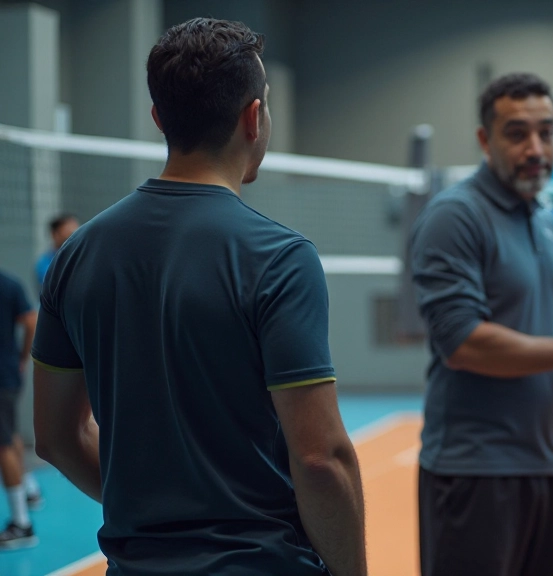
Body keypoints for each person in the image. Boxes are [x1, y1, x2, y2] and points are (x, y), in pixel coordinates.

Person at [31, 18, 366, 576]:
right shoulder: (280, 258)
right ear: (254, 118)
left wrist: (152, 523)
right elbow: (320, 459)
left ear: (160, 118)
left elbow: (56, 438)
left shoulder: (76, 255)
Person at [409, 72, 553, 576]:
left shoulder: (542, 218)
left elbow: (520, 334)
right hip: (473, 474)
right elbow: (463, 343)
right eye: (517, 133)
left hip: (547, 464)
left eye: (546, 132)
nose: (536, 147)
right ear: (485, 139)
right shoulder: (455, 217)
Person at [0, 270, 39, 549]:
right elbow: (30, 321)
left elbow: (31, 321)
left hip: (1, 378)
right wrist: (21, 358)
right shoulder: (10, 283)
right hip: (9, 375)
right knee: (9, 434)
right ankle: (30, 490)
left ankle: (22, 524)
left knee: (2, 445)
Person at [34, 214, 78, 289]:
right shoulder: (45, 262)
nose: (75, 239)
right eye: (69, 234)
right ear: (54, 234)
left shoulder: (81, 256)